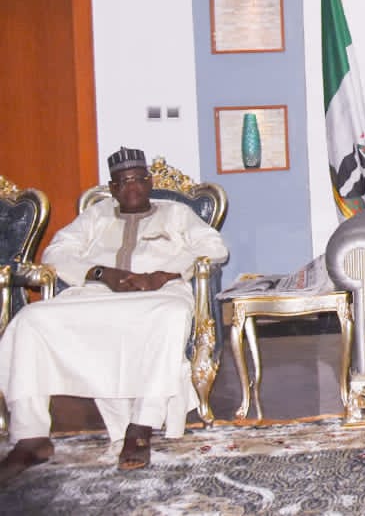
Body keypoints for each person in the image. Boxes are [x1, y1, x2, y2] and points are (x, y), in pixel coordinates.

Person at [0, 147, 229, 483]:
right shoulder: (96, 216)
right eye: (122, 182)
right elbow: (56, 253)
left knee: (171, 316)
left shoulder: (177, 214)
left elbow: (214, 248)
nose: (131, 187)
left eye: (137, 179)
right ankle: (30, 437)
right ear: (112, 188)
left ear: (149, 182)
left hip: (158, 295)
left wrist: (163, 274)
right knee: (29, 321)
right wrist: (100, 273)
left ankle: (142, 424)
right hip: (96, 295)